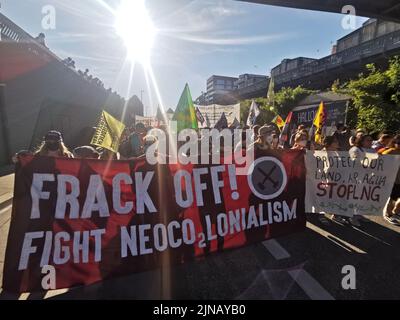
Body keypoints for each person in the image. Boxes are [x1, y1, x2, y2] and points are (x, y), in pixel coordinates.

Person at [382, 135, 400, 225]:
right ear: (394, 143)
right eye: (399, 143)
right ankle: (388, 214)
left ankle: (395, 212)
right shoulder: (390, 152)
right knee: (393, 198)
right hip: (394, 180)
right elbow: (380, 161)